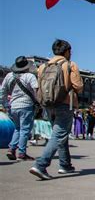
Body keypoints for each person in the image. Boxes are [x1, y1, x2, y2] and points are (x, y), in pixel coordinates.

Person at [29, 39, 83, 180]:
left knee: (59, 134)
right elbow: (78, 86)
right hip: (64, 103)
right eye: (70, 51)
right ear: (66, 51)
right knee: (59, 135)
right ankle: (41, 165)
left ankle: (65, 165)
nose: (71, 54)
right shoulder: (70, 65)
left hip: (47, 104)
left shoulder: (43, 66)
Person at [1, 56, 38, 161]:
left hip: (13, 106)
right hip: (26, 105)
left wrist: (5, 104)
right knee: (25, 130)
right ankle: (22, 152)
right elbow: (36, 90)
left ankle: (11, 149)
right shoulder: (29, 76)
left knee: (17, 128)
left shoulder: (9, 76)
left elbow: (2, 91)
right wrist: (39, 102)